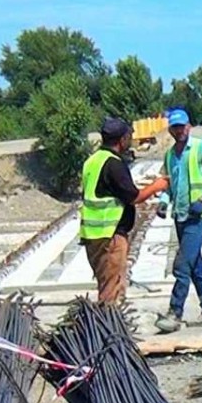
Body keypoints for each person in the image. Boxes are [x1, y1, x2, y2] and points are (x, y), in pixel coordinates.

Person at [135, 109, 202, 333]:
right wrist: (164, 201)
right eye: (175, 127)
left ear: (189, 126)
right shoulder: (170, 155)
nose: (180, 131)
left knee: (182, 264)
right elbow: (169, 183)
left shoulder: (200, 148)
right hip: (181, 214)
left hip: (198, 214)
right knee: (194, 265)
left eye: (183, 126)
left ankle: (175, 312)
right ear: (171, 130)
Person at [79, 118, 139, 305]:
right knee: (111, 290)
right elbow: (133, 196)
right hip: (110, 235)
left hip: (92, 235)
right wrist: (159, 185)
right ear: (122, 140)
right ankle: (108, 328)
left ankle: (110, 325)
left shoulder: (92, 161)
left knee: (106, 283)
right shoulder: (114, 164)